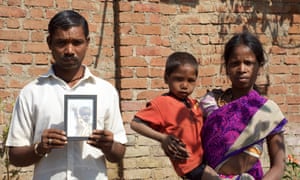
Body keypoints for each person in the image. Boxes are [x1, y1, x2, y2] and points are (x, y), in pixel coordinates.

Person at [5, 10, 127, 180]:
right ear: (49, 43)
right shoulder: (32, 92)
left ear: (87, 42)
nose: (69, 50)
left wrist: (108, 145)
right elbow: (15, 156)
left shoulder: (105, 91)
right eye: (61, 42)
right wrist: (39, 148)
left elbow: (118, 154)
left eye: (77, 42)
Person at [199, 32, 287, 180]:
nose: (241, 69)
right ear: (226, 67)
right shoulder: (211, 104)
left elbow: (279, 167)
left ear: (259, 66)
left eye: (248, 63)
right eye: (234, 63)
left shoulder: (267, 111)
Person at [130, 52, 220, 180]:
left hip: (204, 159)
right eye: (179, 79)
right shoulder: (162, 103)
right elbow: (136, 123)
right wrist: (163, 138)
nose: (184, 85)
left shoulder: (192, 103)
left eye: (190, 81)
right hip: (188, 164)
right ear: (167, 78)